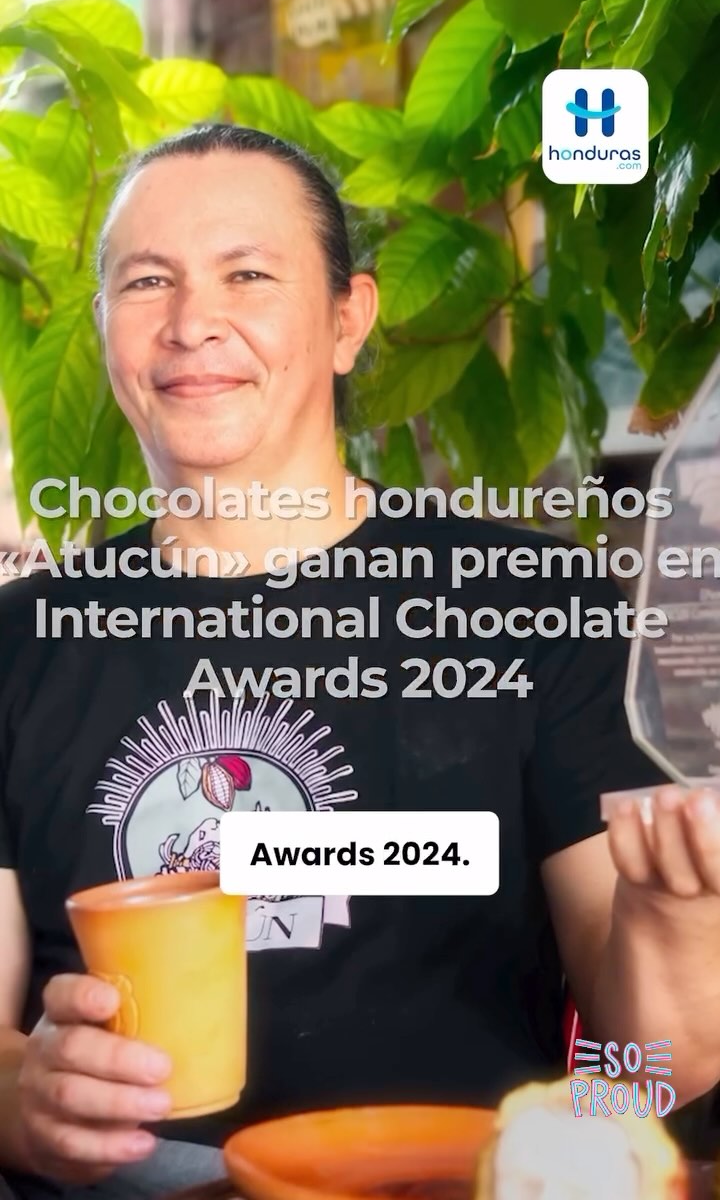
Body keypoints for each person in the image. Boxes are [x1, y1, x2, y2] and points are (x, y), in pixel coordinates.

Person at [0, 124, 719, 1199]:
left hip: (462, 1176)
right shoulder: (19, 644)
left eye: (248, 274)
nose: (193, 322)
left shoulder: (534, 606)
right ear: (104, 327)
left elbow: (659, 1067)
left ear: (349, 320)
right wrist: (21, 1096)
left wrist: (677, 915)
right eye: (148, 282)